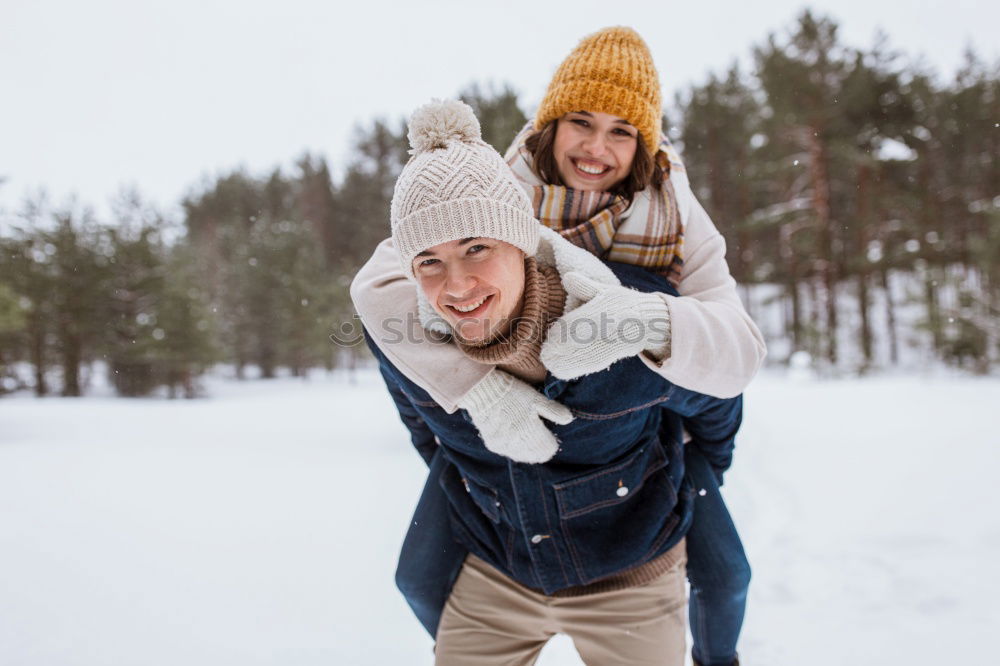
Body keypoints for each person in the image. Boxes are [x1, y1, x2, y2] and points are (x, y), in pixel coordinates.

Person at [352, 28, 759, 666]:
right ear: (550, 125)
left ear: (644, 144)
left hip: (649, 414)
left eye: (622, 131)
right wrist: (472, 393)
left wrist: (648, 320)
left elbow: (735, 349)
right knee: (420, 576)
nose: (596, 149)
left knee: (726, 575)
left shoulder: (672, 212)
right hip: (500, 424)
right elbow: (381, 287)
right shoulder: (485, 183)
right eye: (581, 122)